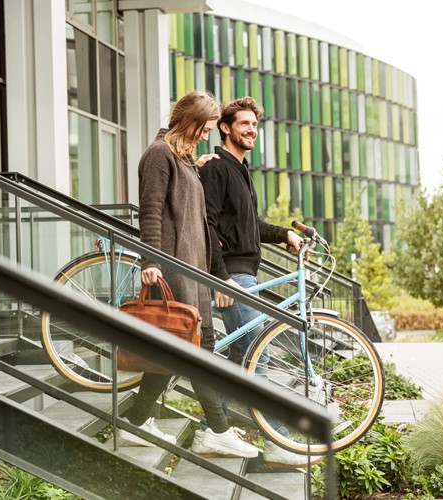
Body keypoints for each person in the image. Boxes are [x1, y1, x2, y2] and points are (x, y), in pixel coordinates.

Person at [127, 90, 257, 459]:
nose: (206, 135)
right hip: (172, 266)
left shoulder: (181, 159)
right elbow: (150, 210)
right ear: (190, 121)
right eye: (205, 128)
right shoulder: (158, 155)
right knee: (195, 349)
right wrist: (149, 260)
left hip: (194, 269)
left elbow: (199, 223)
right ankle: (217, 430)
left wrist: (216, 273)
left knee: (184, 347)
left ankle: (137, 420)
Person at [199, 96, 318, 468]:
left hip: (244, 272)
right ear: (225, 127)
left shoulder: (242, 170)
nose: (251, 130)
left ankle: (210, 430)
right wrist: (219, 279)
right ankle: (279, 440)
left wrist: (285, 233)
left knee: (242, 355)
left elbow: (248, 226)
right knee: (259, 351)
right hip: (232, 275)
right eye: (244, 124)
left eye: (254, 125)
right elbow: (206, 225)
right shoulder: (217, 168)